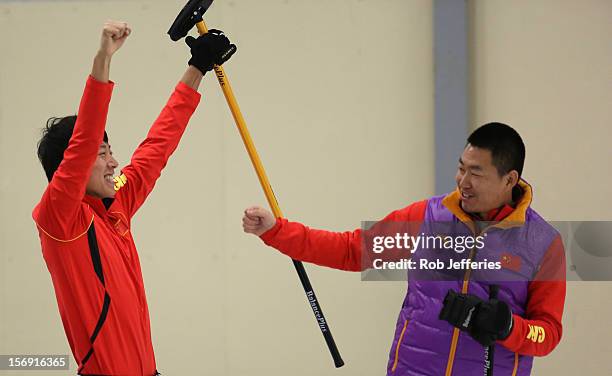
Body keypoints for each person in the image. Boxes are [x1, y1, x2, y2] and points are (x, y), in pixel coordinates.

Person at [242, 123, 566, 375]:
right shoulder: (426, 218)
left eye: (476, 173)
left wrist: (509, 327)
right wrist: (276, 231)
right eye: (461, 167)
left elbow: (547, 334)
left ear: (510, 180)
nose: (463, 180)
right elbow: (352, 250)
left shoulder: (542, 243)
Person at [33, 21, 235, 375]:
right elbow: (83, 141)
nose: (114, 162)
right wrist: (103, 60)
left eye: (111, 151)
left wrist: (197, 68)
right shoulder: (59, 219)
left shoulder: (116, 204)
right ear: (72, 167)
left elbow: (158, 145)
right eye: (102, 153)